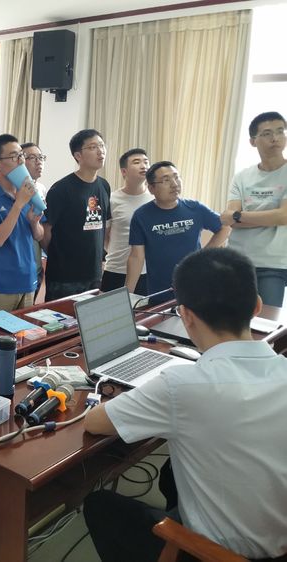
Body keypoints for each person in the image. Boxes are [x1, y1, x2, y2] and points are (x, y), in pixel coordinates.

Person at [83, 247, 287, 562]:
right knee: (170, 471)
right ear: (257, 306)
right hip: (278, 539)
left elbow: (94, 423)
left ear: (186, 315)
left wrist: (143, 394)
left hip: (218, 555)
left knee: (100, 506)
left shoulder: (181, 386)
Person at [125, 161, 228, 296]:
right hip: (160, 291)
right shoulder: (141, 216)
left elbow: (225, 227)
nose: (174, 184)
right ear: (151, 188)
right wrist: (127, 294)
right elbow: (136, 257)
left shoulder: (195, 208)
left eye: (176, 177)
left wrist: (203, 255)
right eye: (166, 180)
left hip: (195, 287)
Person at [221, 111, 287, 307]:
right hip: (237, 260)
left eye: (280, 131)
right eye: (267, 133)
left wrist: (239, 216)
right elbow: (230, 220)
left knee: (266, 320)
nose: (275, 138)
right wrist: (269, 216)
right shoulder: (242, 176)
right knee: (232, 317)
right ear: (253, 141)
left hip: (273, 263)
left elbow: (283, 216)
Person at [0, 134, 43, 312]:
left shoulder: (27, 191)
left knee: (26, 331)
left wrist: (34, 223)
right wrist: (19, 204)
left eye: (21, 155)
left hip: (28, 281)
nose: (21, 161)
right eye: (14, 156)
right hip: (0, 286)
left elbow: (39, 235)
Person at [41, 129, 111, 301]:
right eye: (93, 147)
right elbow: (46, 230)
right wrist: (59, 256)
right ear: (78, 155)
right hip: (64, 277)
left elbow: (103, 227)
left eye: (102, 146)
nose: (100, 151)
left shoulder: (104, 186)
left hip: (93, 274)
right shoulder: (61, 189)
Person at [101, 148, 153, 294]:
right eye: (137, 162)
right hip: (116, 269)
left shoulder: (155, 199)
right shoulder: (112, 199)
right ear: (124, 171)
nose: (143, 166)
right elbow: (105, 235)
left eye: (146, 162)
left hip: (147, 271)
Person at [22, 142, 48, 297]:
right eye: (32, 158)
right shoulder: (13, 191)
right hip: (18, 267)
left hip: (36, 265)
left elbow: (40, 233)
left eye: (41, 157)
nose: (39, 162)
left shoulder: (42, 189)